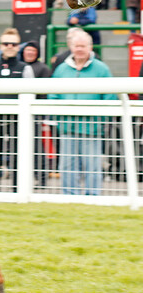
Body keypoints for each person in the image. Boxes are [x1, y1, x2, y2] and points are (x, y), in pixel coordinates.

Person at [48, 29, 116, 196]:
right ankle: (69, 196)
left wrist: (100, 119)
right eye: (76, 45)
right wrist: (59, 118)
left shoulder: (102, 69)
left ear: (90, 47)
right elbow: (52, 94)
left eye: (83, 46)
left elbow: (110, 96)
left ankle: (93, 196)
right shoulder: (62, 69)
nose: (79, 49)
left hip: (91, 128)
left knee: (92, 164)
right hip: (67, 127)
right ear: (71, 47)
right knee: (67, 165)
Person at [0, 28, 34, 192]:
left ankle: (18, 190)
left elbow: (29, 94)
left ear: (19, 46)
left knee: (18, 155)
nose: (10, 46)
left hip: (17, 120)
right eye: (6, 43)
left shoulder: (25, 68)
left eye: (13, 43)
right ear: (1, 46)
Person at [18, 40, 52, 187]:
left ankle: (42, 178)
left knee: (37, 147)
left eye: (33, 50)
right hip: (19, 113)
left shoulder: (43, 68)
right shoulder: (20, 67)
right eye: (28, 50)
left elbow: (44, 93)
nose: (30, 53)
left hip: (35, 113)